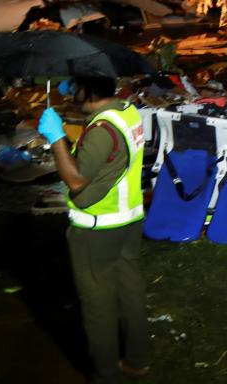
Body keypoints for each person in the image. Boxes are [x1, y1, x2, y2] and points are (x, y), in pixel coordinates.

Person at [38, 76, 150, 382]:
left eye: (74, 86)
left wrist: (56, 138)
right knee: (130, 289)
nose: (70, 92)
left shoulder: (101, 130)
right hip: (128, 219)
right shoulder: (127, 111)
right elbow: (109, 161)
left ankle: (106, 374)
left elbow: (75, 180)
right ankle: (138, 360)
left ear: (88, 89)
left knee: (98, 305)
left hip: (98, 229)